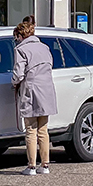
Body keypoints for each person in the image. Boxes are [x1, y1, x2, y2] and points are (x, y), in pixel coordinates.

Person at [12, 22, 58, 176]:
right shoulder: (44, 47)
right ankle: (45, 165)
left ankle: (31, 166)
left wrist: (14, 83)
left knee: (30, 130)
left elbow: (18, 74)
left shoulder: (21, 49)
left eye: (16, 37)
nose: (15, 40)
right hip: (46, 89)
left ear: (20, 35)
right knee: (43, 130)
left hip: (31, 91)